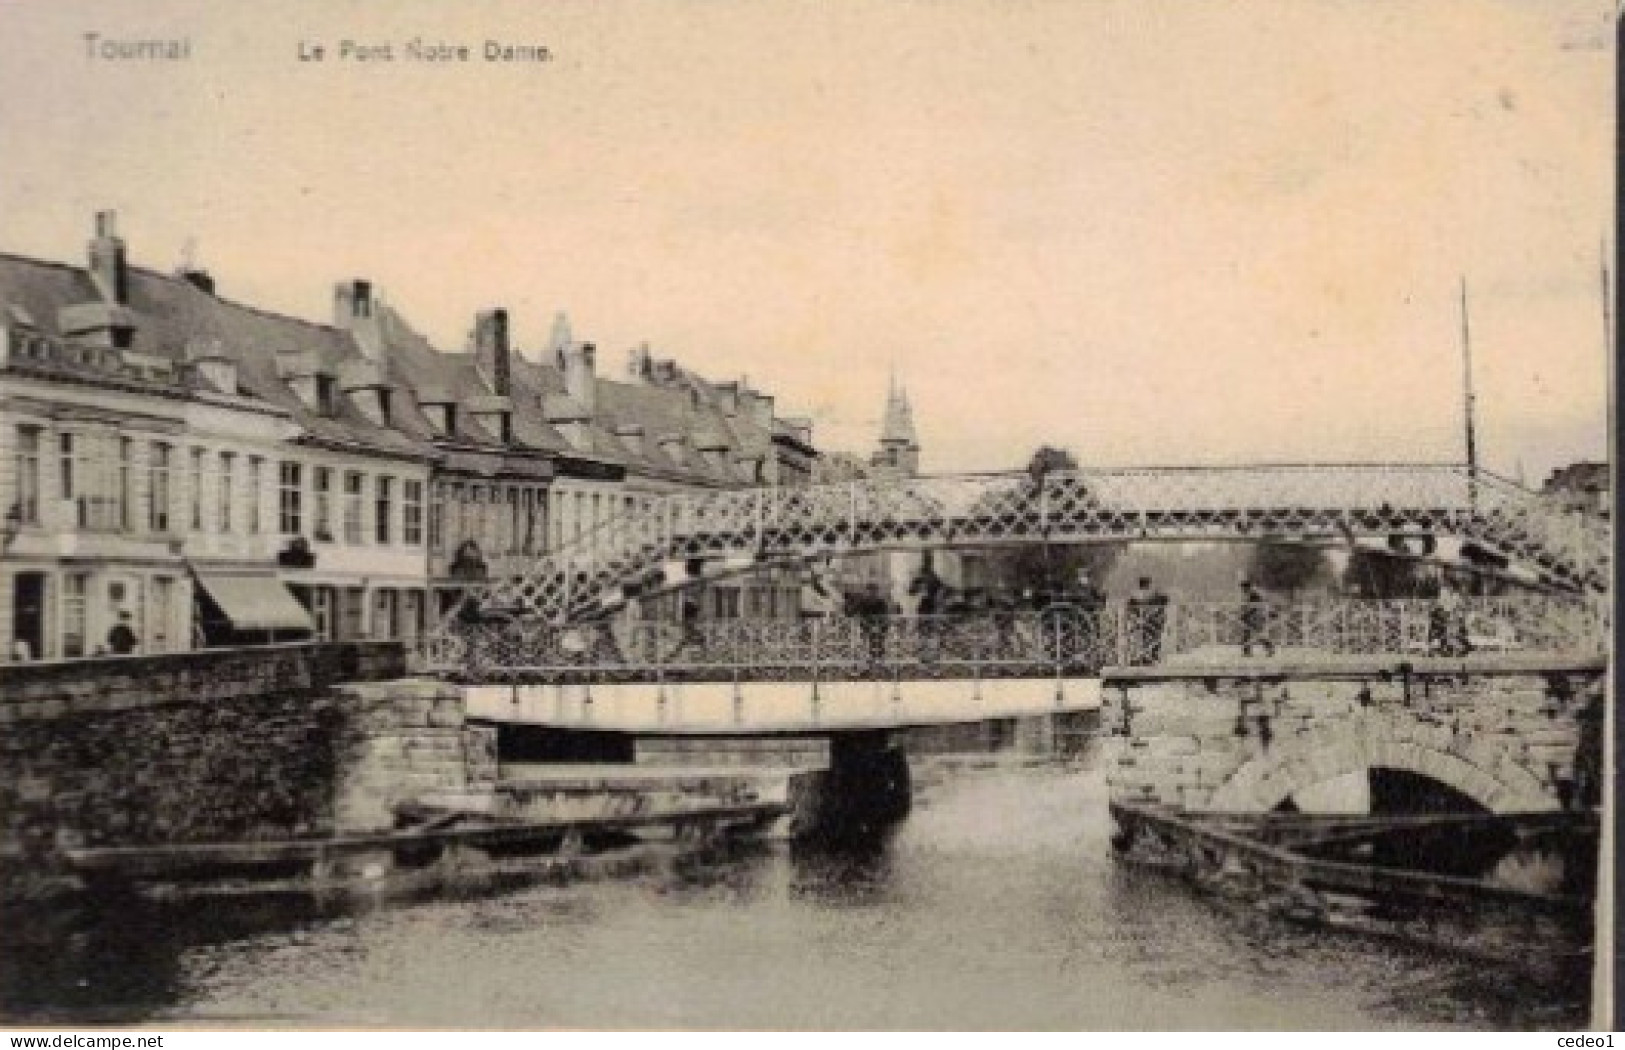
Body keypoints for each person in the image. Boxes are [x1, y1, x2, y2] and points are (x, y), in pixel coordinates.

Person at [1125, 576, 1167, 665]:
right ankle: (1151, 658)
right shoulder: (1154, 595)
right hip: (1152, 622)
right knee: (1152, 640)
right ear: (1148, 584)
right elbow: (1165, 600)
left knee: (1141, 641)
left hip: (1141, 623)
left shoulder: (1135, 596)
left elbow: (1130, 608)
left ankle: (1141, 659)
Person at [853, 582, 891, 666]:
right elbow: (860, 615)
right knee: (866, 643)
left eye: (874, 591)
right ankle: (867, 661)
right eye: (870, 590)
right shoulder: (863, 602)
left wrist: (879, 625)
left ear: (877, 591)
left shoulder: (881, 602)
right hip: (866, 626)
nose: (872, 593)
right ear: (867, 591)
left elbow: (885, 615)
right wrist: (867, 625)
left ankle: (880, 661)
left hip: (880, 627)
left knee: (879, 643)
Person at [1239, 578, 1275, 657]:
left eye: (1243, 588)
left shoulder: (1254, 594)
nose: (1243, 590)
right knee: (1249, 633)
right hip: (1254, 616)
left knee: (1258, 634)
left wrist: (1245, 614)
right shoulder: (1253, 593)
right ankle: (1247, 651)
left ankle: (1269, 648)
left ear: (1247, 587)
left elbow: (1256, 606)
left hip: (1257, 617)